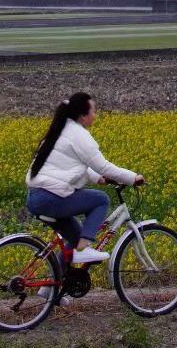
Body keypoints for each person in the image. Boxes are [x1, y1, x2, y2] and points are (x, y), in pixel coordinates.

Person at [25, 91, 144, 264]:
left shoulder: (62, 129)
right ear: (83, 115)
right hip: (50, 197)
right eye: (93, 111)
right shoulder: (78, 135)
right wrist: (133, 178)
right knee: (101, 200)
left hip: (37, 196)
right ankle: (84, 249)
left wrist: (98, 178)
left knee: (75, 239)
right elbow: (103, 166)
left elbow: (71, 165)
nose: (95, 116)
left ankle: (48, 290)